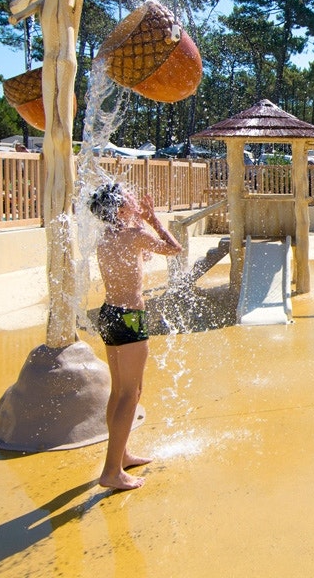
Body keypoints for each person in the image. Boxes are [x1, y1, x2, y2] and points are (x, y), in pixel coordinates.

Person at [89, 182, 182, 490]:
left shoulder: (108, 237)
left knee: (119, 391)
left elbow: (144, 258)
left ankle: (122, 454)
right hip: (130, 318)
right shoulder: (134, 236)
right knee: (132, 393)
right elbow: (174, 249)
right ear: (118, 209)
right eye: (128, 196)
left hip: (108, 313)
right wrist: (154, 221)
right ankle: (111, 472)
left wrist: (140, 224)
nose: (134, 197)